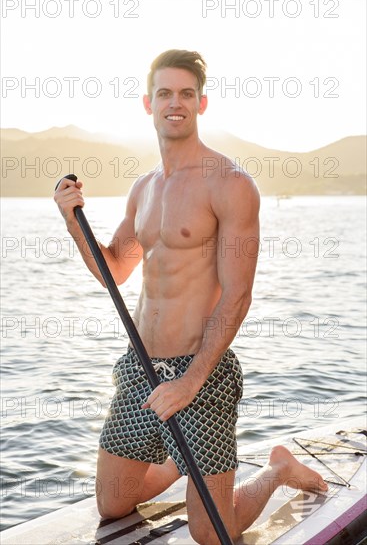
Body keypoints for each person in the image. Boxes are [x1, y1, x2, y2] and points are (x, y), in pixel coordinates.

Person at [55, 49, 328, 545]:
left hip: (201, 372)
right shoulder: (144, 189)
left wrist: (190, 382)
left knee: (210, 533)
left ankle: (277, 472)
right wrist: (74, 224)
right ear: (147, 103)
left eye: (185, 93)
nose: (174, 103)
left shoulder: (230, 184)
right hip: (140, 368)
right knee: (113, 502)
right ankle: (186, 464)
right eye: (164, 93)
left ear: (201, 103)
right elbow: (116, 268)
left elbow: (238, 296)